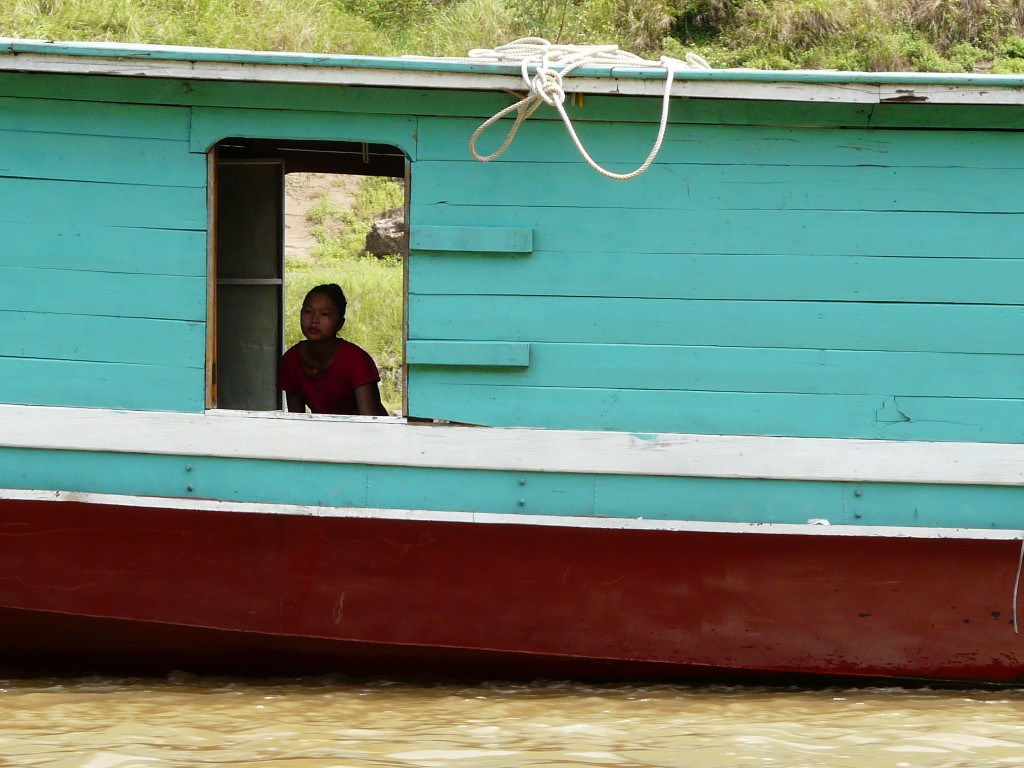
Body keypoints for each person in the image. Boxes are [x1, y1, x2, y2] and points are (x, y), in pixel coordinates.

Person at [277, 283, 388, 416]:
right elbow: (296, 419)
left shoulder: (355, 360)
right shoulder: (291, 360)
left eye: (324, 314)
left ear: (340, 323)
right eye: (307, 311)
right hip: (321, 432)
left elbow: (370, 420)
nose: (314, 320)